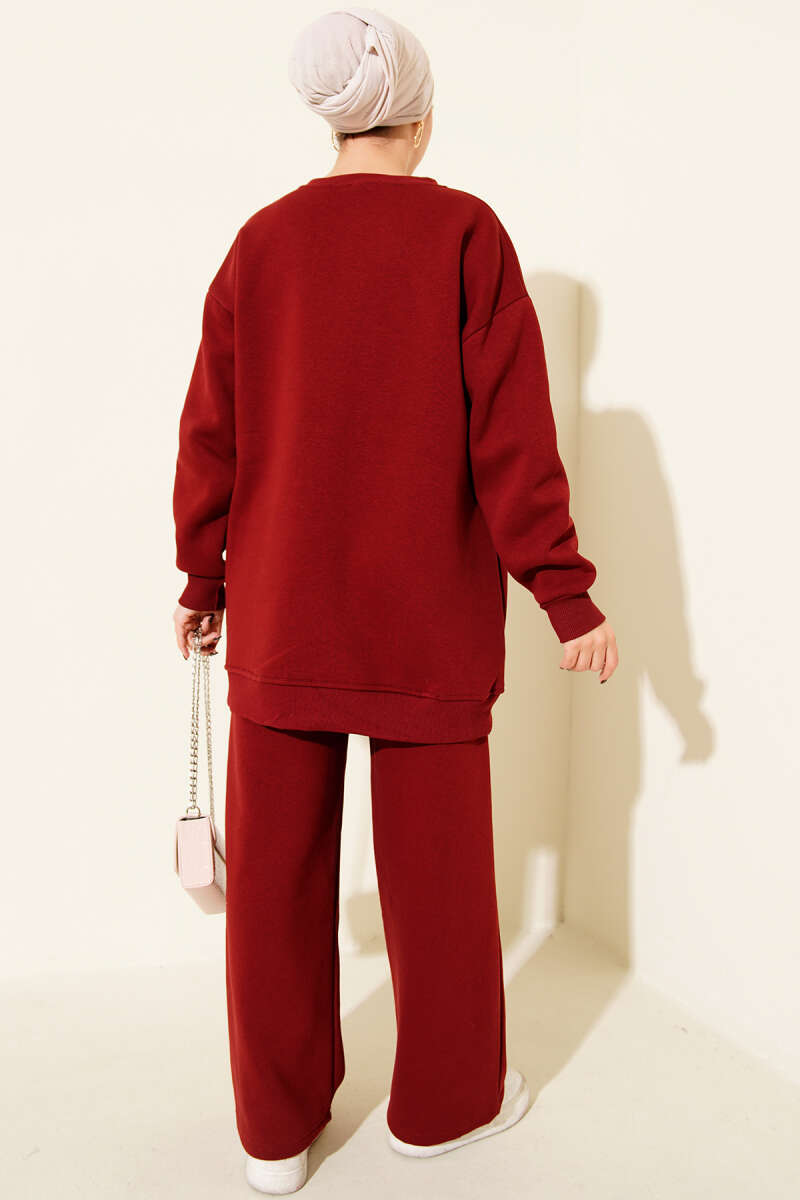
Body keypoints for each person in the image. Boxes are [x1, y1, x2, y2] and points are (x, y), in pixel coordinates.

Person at [171, 6, 618, 1194]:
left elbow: (211, 430)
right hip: (426, 629)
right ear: (417, 118)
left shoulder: (260, 243)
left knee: (272, 894)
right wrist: (565, 597)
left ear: (331, 121)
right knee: (440, 889)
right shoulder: (465, 234)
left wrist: (201, 576)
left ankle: (273, 1136)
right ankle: (442, 1107)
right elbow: (512, 445)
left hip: (284, 622)